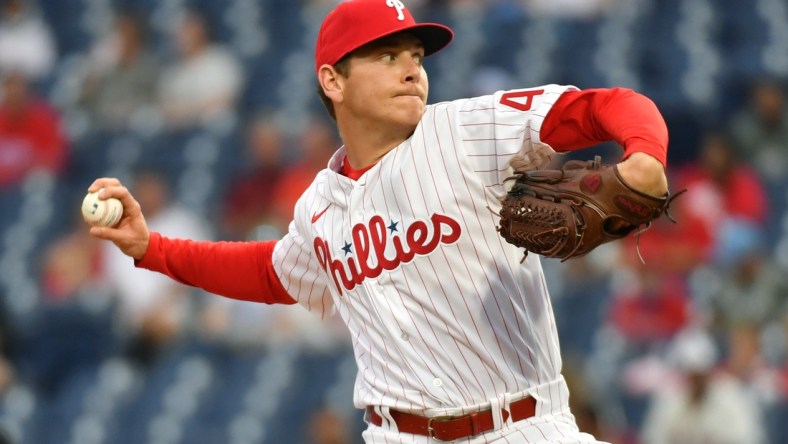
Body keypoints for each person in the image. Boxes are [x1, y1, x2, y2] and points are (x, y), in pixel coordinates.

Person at [86, 0, 670, 442]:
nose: (411, 70)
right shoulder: (319, 205)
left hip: (522, 425)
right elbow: (270, 274)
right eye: (387, 56)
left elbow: (603, 105)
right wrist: (149, 248)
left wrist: (645, 154)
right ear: (332, 81)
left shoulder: (464, 130)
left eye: (416, 56)